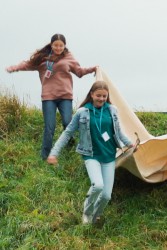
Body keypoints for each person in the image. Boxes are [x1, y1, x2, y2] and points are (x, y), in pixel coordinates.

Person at [47, 81, 135, 225]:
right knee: (98, 185)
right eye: (98, 95)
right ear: (92, 94)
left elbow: (118, 132)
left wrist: (130, 144)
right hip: (91, 155)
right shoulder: (83, 112)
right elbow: (67, 133)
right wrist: (54, 153)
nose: (101, 99)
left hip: (109, 156)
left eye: (104, 96)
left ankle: (96, 214)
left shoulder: (112, 110)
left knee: (106, 195)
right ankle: (87, 213)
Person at [6, 34, 97, 160]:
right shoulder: (42, 59)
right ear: (51, 44)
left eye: (61, 45)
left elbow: (79, 72)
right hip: (49, 97)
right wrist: (14, 68)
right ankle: (45, 155)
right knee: (50, 126)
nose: (58, 48)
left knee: (68, 123)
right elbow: (27, 64)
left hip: (65, 96)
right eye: (56, 45)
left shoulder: (68, 57)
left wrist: (93, 69)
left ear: (64, 45)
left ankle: (69, 145)